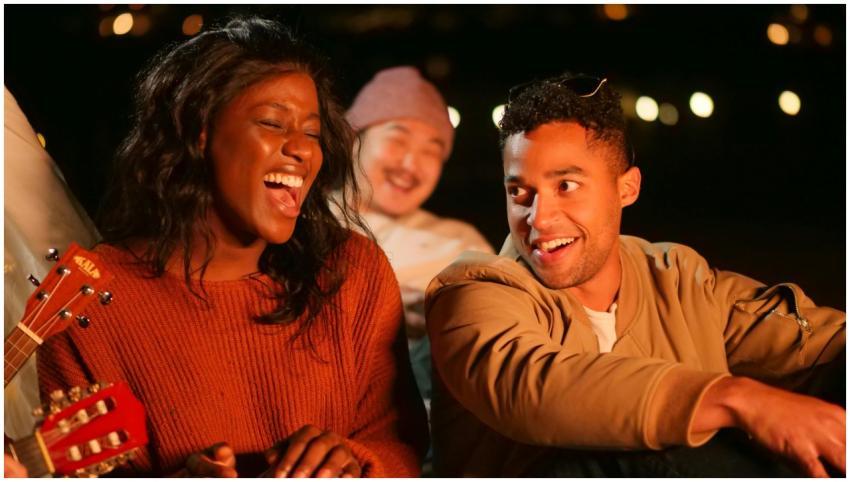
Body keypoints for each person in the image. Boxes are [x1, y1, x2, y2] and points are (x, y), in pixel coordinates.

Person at [37, 17, 428, 477]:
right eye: (273, 123)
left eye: (313, 132)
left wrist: (356, 462)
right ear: (199, 133)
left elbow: (401, 441)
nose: (302, 150)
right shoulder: (86, 302)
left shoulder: (352, 270)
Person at [425, 73, 845, 477]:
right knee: (655, 453)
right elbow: (532, 385)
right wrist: (736, 399)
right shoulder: (475, 291)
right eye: (519, 191)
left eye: (566, 186)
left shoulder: (678, 278)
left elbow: (814, 339)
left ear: (627, 188)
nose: (539, 218)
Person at [345, 66, 493, 411]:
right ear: (354, 139)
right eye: (398, 140)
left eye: (431, 150)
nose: (411, 164)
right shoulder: (303, 222)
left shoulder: (458, 243)